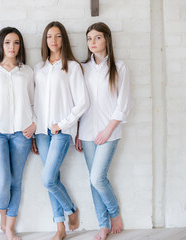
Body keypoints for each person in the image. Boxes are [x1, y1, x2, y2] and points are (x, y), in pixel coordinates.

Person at [31, 21, 89, 240]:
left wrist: (62, 124)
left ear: (63, 39)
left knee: (48, 179)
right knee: (52, 177)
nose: (53, 41)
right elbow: (34, 102)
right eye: (49, 37)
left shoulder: (72, 67)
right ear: (45, 40)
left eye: (57, 36)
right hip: (42, 132)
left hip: (62, 131)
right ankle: (60, 228)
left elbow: (82, 103)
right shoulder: (39, 68)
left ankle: (71, 210)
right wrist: (36, 130)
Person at [75, 22, 130, 240]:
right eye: (89, 38)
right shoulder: (82, 68)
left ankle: (114, 214)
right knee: (92, 179)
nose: (93, 42)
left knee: (98, 178)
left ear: (106, 39)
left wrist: (107, 131)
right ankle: (103, 225)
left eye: (97, 37)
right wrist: (78, 132)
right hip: (87, 133)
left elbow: (123, 105)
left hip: (110, 132)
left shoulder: (119, 66)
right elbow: (80, 103)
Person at [0, 27, 36, 240]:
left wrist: (35, 123)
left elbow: (33, 102)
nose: (12, 47)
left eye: (16, 43)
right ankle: (3, 216)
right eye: (7, 42)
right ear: (0, 45)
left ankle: (9, 228)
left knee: (16, 181)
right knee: (2, 181)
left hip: (22, 133)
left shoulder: (27, 71)